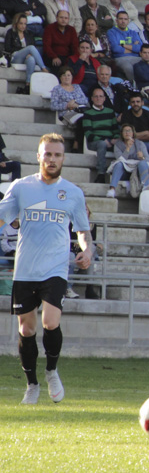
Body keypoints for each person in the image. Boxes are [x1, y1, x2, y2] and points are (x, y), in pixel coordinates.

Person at [0, 134, 90, 404]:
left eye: (57, 155)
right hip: (25, 268)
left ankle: (52, 370)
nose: (52, 159)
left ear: (63, 158)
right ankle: (32, 385)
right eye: (47, 154)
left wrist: (87, 250)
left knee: (50, 321)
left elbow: (83, 231)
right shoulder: (20, 187)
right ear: (39, 156)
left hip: (55, 267)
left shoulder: (73, 193)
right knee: (27, 330)